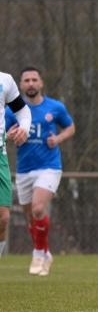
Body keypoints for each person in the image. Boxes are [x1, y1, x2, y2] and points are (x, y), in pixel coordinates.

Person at [4, 67, 75, 276]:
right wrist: (10, 134)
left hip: (49, 166)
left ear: (41, 83)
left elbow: (70, 127)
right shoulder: (12, 111)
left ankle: (37, 252)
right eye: (26, 80)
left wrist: (58, 139)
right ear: (20, 84)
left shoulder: (55, 107)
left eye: (34, 79)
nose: (31, 83)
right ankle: (45, 251)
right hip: (24, 169)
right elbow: (4, 132)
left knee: (37, 209)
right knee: (30, 219)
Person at [0, 71, 31, 259]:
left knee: (3, 218)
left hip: (0, 155)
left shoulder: (5, 80)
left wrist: (24, 128)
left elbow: (22, 111)